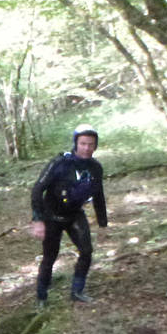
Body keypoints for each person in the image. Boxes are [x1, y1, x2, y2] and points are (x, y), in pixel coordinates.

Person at [30, 123, 108, 307]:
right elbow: (37, 190)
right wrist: (38, 220)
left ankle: (77, 291)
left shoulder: (95, 168)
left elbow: (98, 194)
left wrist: (102, 222)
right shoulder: (59, 163)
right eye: (83, 143)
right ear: (76, 143)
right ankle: (41, 297)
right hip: (51, 216)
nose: (87, 148)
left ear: (95, 146)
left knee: (87, 252)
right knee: (50, 256)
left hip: (74, 215)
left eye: (91, 144)